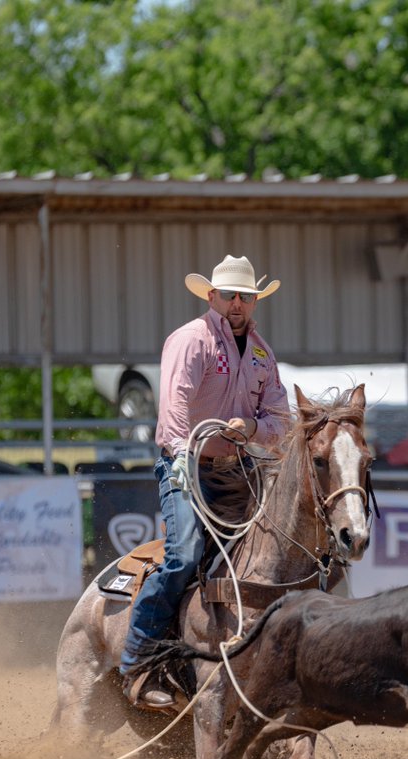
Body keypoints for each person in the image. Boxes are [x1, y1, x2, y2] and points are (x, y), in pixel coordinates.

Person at [120, 255, 291, 708]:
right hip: (187, 466)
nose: (238, 303)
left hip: (239, 471)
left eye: (246, 296)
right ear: (212, 297)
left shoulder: (260, 353)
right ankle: (137, 662)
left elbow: (280, 421)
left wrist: (250, 430)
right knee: (186, 555)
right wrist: (178, 453)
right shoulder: (191, 341)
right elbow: (174, 404)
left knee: (276, 555)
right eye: (230, 295)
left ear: (255, 301)